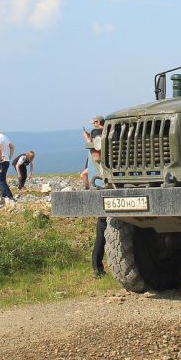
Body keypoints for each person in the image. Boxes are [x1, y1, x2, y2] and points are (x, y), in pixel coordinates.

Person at [82, 115, 106, 278]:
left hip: (102, 193)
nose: (94, 125)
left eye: (96, 124)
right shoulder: (112, 146)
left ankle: (97, 268)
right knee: (102, 234)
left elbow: (84, 175)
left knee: (101, 234)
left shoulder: (93, 155)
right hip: (107, 192)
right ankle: (97, 268)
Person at [80, 115, 103, 189]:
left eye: (94, 123)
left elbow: (93, 146)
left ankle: (88, 188)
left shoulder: (96, 132)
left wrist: (86, 138)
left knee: (83, 175)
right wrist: (90, 135)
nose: (93, 125)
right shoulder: (106, 131)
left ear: (98, 122)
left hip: (97, 161)